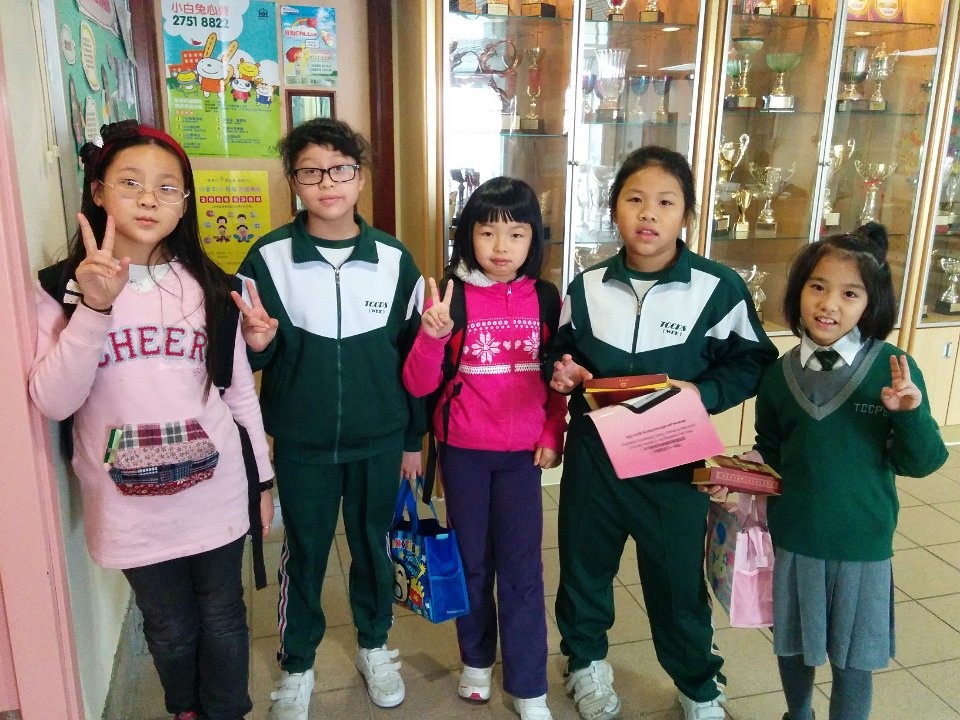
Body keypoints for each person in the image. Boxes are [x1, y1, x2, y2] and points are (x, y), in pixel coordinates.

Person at [29, 120, 275, 720]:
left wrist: (263, 483)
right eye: (130, 183)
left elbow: (239, 395)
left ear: (185, 203)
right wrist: (95, 308)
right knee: (169, 627)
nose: (148, 199)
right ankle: (185, 709)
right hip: (127, 504)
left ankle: (228, 712)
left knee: (224, 616)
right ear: (97, 191)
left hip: (217, 490)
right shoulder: (60, 289)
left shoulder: (214, 288)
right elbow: (54, 400)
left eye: (167, 188)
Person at [548, 145, 778, 720]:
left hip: (674, 461)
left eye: (665, 202)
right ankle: (585, 662)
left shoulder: (717, 288)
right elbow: (560, 351)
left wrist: (706, 393)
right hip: (595, 459)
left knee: (676, 582)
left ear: (686, 215)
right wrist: (565, 371)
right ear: (615, 209)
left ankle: (698, 683)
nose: (648, 213)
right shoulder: (587, 285)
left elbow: (754, 361)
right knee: (583, 568)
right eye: (634, 199)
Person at [230, 117, 424, 720]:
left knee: (373, 545)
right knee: (306, 551)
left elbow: (415, 361)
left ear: (360, 177)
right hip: (302, 441)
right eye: (311, 172)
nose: (327, 183)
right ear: (294, 182)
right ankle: (297, 663)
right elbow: (247, 357)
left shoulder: (394, 259)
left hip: (380, 438)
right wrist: (258, 344)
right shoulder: (267, 259)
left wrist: (413, 439)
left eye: (340, 169)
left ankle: (374, 644)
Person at [742, 224, 948, 720]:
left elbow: (922, 462)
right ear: (799, 291)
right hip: (795, 537)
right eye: (818, 286)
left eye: (849, 293)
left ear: (871, 304)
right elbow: (770, 449)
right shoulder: (779, 374)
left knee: (853, 661)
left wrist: (909, 413)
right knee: (793, 645)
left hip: (862, 543)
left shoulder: (892, 368)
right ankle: (798, 714)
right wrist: (743, 477)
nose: (829, 304)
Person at [402, 176, 567, 720]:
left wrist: (553, 431)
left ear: (533, 240)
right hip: (464, 455)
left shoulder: (546, 298)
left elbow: (557, 376)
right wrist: (432, 336)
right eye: (487, 232)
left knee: (523, 572)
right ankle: (475, 660)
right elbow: (419, 384)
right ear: (467, 235)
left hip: (523, 458)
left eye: (516, 234)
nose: (501, 247)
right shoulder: (450, 298)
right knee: (471, 563)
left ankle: (528, 684)